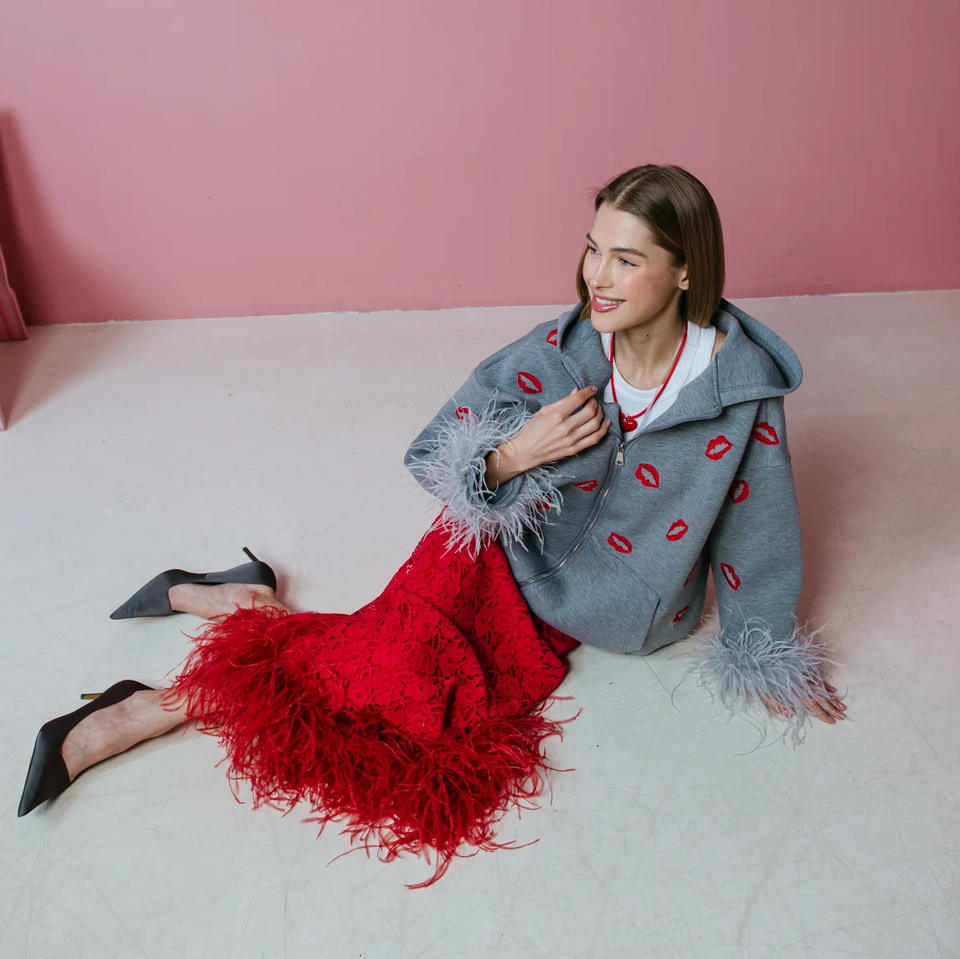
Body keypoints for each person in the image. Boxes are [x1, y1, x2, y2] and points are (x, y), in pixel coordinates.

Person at [17, 164, 846, 887]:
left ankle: (242, 606)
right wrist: (513, 455)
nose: (597, 276)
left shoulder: (737, 393)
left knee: (412, 685)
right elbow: (433, 449)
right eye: (593, 248)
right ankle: (162, 703)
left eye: (626, 259)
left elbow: (758, 528)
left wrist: (765, 650)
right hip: (500, 551)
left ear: (686, 269)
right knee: (393, 673)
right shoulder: (560, 350)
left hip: (616, 609)